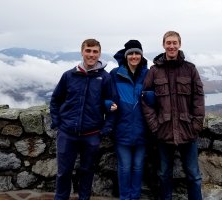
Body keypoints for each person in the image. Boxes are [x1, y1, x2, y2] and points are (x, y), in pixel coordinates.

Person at [50, 38, 117, 200]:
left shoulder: (105, 78)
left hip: (92, 134)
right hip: (67, 133)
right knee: (63, 172)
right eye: (88, 51)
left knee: (87, 171)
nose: (91, 55)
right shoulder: (69, 75)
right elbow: (55, 100)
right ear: (82, 52)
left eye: (95, 51)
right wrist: (58, 123)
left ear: (99, 53)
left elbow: (113, 105)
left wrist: (105, 129)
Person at [141, 31, 205, 200]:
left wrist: (196, 125)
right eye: (168, 42)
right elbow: (145, 100)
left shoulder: (190, 69)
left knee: (194, 175)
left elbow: (198, 99)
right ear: (163, 45)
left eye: (174, 42)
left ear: (179, 44)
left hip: (187, 130)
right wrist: (155, 126)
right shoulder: (154, 71)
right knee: (163, 174)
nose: (171, 46)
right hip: (164, 132)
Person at [110, 40, 149, 200]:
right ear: (126, 56)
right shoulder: (115, 74)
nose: (134, 56)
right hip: (122, 130)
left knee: (138, 168)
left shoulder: (148, 74)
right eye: (131, 53)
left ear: (141, 55)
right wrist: (107, 104)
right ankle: (125, 198)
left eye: (137, 53)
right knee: (125, 168)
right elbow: (105, 95)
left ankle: (135, 197)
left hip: (142, 131)